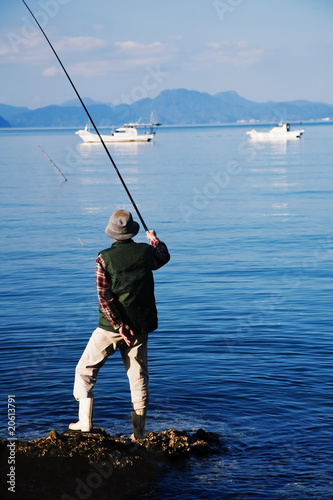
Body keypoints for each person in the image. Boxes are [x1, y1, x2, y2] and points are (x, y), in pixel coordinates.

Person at [69, 209, 170, 439]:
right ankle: (138, 434)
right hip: (140, 327)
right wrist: (153, 238)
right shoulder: (146, 252)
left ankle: (84, 422)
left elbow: (104, 298)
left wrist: (118, 325)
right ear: (132, 231)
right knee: (138, 377)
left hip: (109, 329)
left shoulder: (103, 258)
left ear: (112, 234)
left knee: (85, 370)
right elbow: (163, 257)